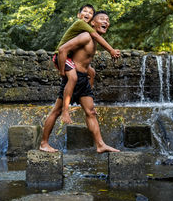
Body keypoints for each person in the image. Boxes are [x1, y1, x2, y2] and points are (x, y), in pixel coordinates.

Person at [40, 11, 120, 153]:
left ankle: (100, 145)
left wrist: (90, 73)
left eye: (108, 20)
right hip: (73, 77)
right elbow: (63, 49)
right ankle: (44, 143)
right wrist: (63, 72)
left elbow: (82, 60)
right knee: (56, 111)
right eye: (102, 19)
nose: (106, 22)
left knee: (91, 112)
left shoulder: (94, 41)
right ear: (92, 23)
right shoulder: (85, 36)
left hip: (83, 80)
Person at [53, 4, 120, 125]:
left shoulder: (85, 31)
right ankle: (65, 111)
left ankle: (85, 95)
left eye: (90, 12)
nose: (87, 14)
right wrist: (111, 50)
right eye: (85, 11)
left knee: (92, 72)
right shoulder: (81, 24)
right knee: (72, 78)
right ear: (79, 15)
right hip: (61, 55)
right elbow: (94, 35)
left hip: (70, 56)